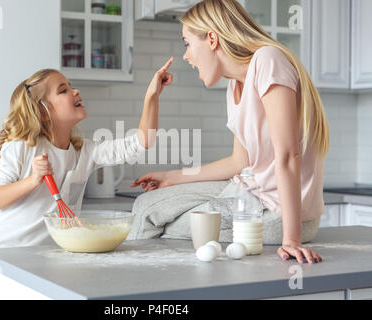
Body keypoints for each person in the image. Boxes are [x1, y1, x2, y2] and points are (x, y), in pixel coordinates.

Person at [132, 0, 329, 264]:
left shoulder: (268, 60)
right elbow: (239, 162)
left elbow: (288, 155)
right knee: (145, 206)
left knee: (156, 219)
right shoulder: (235, 84)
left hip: (275, 213)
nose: (186, 56)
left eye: (187, 43)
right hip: (246, 194)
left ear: (212, 39)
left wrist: (291, 239)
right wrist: (171, 177)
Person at [0, 58, 174, 299]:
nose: (75, 91)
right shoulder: (23, 146)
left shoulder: (84, 152)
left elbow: (140, 143)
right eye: (63, 90)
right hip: (3, 258)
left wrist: (152, 96)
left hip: (43, 259)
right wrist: (32, 180)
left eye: (70, 86)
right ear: (43, 112)